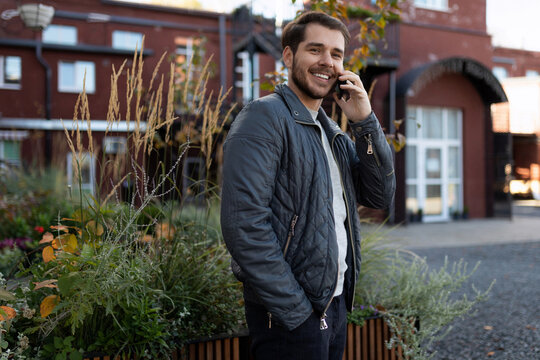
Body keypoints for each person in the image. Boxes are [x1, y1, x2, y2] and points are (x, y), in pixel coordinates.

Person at [220, 11, 396, 360]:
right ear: (288, 56)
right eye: (315, 50)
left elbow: (380, 195)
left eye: (336, 54)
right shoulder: (263, 117)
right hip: (289, 316)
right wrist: (297, 313)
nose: (327, 62)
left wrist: (365, 122)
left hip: (333, 307)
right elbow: (244, 225)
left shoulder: (332, 132)